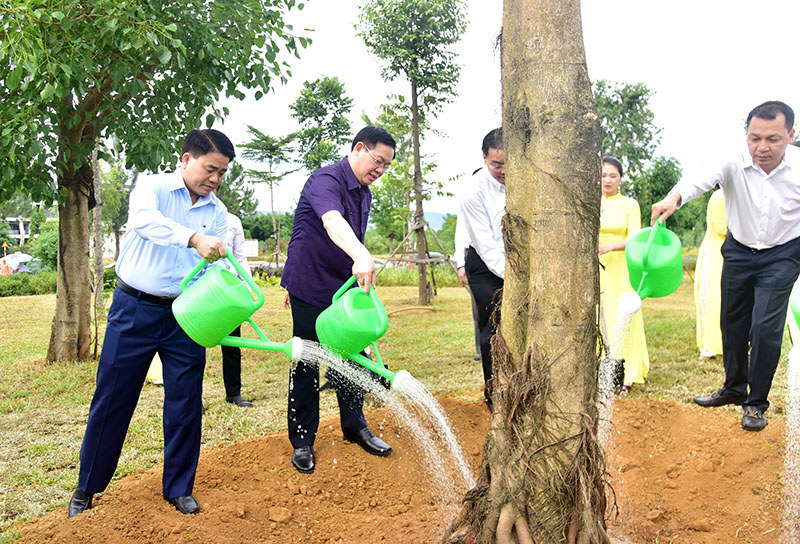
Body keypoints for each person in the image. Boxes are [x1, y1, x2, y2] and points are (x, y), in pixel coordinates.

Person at [68, 129, 234, 518]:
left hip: (187, 314)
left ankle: (178, 487)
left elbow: (214, 266)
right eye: (210, 169)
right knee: (112, 400)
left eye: (222, 173)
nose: (215, 180)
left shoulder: (218, 212)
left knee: (185, 403)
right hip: (134, 309)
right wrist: (194, 238)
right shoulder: (152, 188)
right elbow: (144, 223)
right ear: (187, 159)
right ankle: (87, 488)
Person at [652, 100, 800, 432]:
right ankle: (733, 387)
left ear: (790, 135)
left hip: (783, 253)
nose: (761, 147)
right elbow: (700, 178)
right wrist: (673, 198)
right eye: (754, 138)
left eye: (772, 139)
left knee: (764, 327)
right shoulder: (733, 158)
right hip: (738, 250)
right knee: (732, 323)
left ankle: (756, 403)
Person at [280, 126, 396, 474]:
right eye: (378, 161)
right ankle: (302, 440)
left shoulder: (365, 193)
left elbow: (348, 236)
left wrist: (356, 264)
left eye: (387, 166)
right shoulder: (325, 180)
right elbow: (332, 222)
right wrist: (363, 256)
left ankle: (354, 425)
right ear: (360, 148)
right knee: (307, 358)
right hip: (309, 284)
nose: (380, 170)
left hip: (341, 288)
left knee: (350, 355)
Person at [459, 128, 505, 412]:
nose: (503, 171)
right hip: (486, 267)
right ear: (484, 158)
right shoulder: (473, 192)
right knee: (492, 328)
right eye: (496, 165)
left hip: (520, 264)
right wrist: (516, 279)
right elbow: (487, 248)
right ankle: (494, 392)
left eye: (508, 164)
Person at [598, 156, 650, 393]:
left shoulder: (630, 204)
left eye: (613, 175)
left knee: (623, 314)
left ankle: (627, 375)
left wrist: (610, 247)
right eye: (603, 175)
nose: (607, 180)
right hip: (595, 267)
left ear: (620, 178)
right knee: (600, 317)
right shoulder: (589, 202)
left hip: (621, 266)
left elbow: (636, 237)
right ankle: (601, 373)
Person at [216, 190, 255, 408]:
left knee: (232, 344)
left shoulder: (232, 221)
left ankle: (233, 393)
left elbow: (240, 256)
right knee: (192, 347)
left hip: (229, 290)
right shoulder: (190, 220)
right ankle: (193, 398)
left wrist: (249, 287)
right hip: (201, 291)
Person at [694, 189, 727, 360]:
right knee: (711, 297)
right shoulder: (719, 196)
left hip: (737, 251)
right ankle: (709, 345)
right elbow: (721, 228)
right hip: (717, 252)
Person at [454, 207, 481, 362]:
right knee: (478, 309)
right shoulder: (468, 200)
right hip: (474, 255)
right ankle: (481, 350)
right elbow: (460, 236)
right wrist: (460, 264)